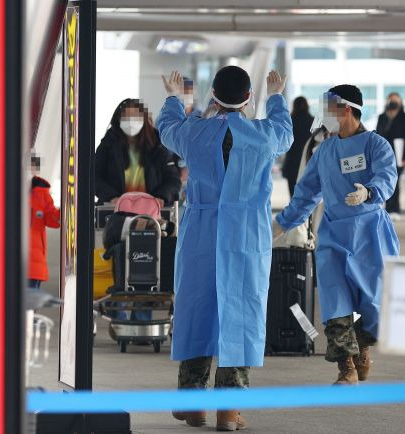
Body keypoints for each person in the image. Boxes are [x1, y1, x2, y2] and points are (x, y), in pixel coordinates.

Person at [158, 67, 292, 431]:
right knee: (242, 312)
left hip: (202, 233)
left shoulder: (195, 132)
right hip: (247, 236)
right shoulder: (264, 136)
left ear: (213, 97)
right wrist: (277, 95)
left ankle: (193, 403)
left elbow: (167, 128)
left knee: (197, 309)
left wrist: (175, 97)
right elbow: (286, 132)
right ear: (248, 98)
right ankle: (229, 411)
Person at [274, 85, 400, 386]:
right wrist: (284, 222)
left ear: (345, 110)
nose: (324, 116)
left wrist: (369, 191)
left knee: (377, 305)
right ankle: (346, 367)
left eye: (328, 109)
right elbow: (306, 192)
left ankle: (362, 346)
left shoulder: (376, 144)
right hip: (334, 236)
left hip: (371, 234)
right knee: (335, 302)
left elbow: (387, 176)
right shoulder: (326, 151)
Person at [94, 98, 181, 206]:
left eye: (135, 116)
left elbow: (173, 180)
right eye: (126, 116)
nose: (130, 121)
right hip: (115, 211)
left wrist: (160, 198)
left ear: (143, 118)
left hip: (152, 212)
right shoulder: (107, 144)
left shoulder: (157, 145)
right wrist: (112, 198)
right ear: (118, 119)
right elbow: (95, 178)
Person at [376, 92, 405, 221]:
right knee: (385, 180)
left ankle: (395, 208)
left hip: (399, 153)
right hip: (384, 154)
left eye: (395, 101)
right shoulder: (382, 117)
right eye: (391, 101)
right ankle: (387, 208)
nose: (393, 103)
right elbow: (377, 135)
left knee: (395, 182)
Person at [28, 154, 60, 290]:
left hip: (34, 262)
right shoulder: (4, 189)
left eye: (33, 168)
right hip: (9, 262)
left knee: (28, 306)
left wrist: (65, 208)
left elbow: (53, 220)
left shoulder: (42, 194)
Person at [282, 96, 314, 197]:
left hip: (292, 164)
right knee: (308, 198)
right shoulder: (313, 122)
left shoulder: (289, 122)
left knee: (293, 197)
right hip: (309, 163)